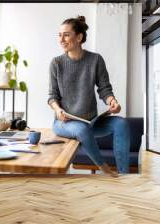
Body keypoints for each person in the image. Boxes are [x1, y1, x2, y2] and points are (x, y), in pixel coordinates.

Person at [48, 16, 130, 176]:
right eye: (59, 35)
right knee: (82, 129)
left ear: (79, 37)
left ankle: (124, 175)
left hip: (91, 121)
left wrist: (112, 101)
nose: (61, 39)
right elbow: (52, 96)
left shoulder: (95, 60)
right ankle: (105, 170)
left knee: (122, 124)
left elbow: (104, 89)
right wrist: (58, 110)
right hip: (64, 122)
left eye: (66, 35)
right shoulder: (56, 63)